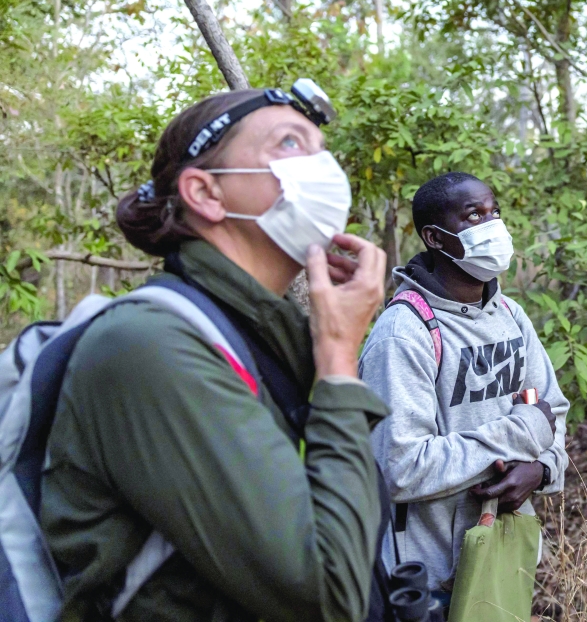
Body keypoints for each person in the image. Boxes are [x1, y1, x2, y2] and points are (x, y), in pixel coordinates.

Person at [39, 87, 391, 621]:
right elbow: (326, 593)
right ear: (206, 193)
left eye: (321, 149)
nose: (322, 168)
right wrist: (339, 364)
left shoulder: (265, 332)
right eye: (291, 143)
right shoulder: (149, 345)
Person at [359, 172, 570, 603]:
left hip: (502, 557)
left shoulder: (510, 315)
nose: (492, 225)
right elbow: (400, 467)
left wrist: (542, 469)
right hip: (428, 577)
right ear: (435, 238)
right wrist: (519, 435)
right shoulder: (403, 333)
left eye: (494, 212)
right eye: (473, 216)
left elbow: (554, 413)